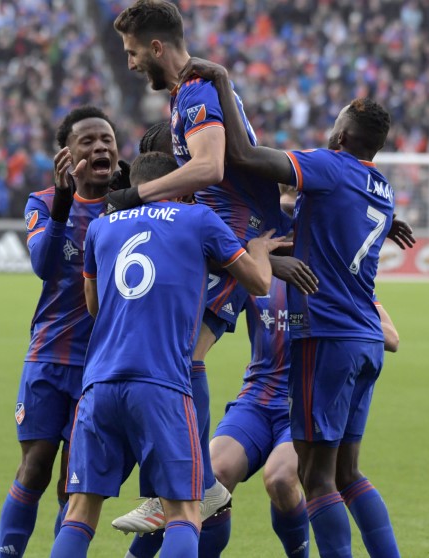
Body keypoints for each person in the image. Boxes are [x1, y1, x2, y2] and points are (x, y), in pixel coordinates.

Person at [183, 57, 402, 558]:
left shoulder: (328, 165)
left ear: (342, 133)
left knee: (314, 478)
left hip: (326, 338)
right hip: (364, 338)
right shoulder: (382, 189)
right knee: (348, 474)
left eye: (335, 122)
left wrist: (221, 82)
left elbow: (241, 154)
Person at [50, 151, 290, 557]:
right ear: (178, 187)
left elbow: (94, 305)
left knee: (79, 511)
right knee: (185, 512)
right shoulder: (198, 220)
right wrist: (259, 249)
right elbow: (259, 283)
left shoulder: (101, 227)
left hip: (99, 385)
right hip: (162, 384)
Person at [108, 0, 289, 531]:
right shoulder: (194, 91)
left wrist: (139, 196)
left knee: (178, 358)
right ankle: (188, 489)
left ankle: (193, 488)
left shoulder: (197, 92)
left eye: (134, 51)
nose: (131, 62)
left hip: (227, 239)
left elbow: (209, 166)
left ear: (157, 46)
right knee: (180, 358)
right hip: (218, 238)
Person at [0, 106, 119, 558]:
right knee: (34, 468)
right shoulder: (44, 203)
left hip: (102, 366)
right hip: (49, 357)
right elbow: (43, 266)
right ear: (66, 154)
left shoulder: (129, 205)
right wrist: (65, 204)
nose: (100, 146)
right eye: (88, 140)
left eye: (107, 139)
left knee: (76, 484)